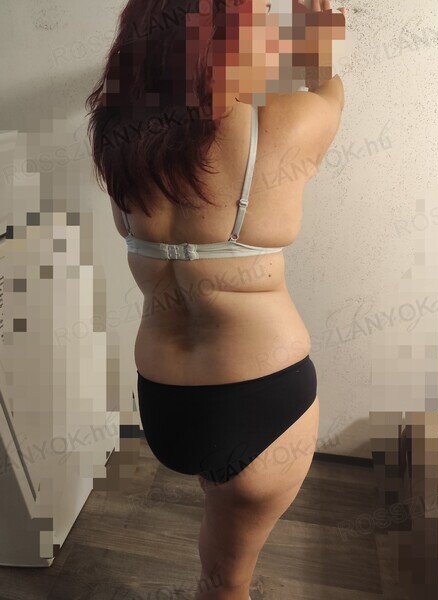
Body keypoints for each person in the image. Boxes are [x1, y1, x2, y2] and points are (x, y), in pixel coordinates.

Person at [86, 1, 346, 598]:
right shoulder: (286, 121)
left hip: (164, 403)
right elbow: (330, 92)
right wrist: (320, 39)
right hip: (263, 398)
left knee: (220, 532)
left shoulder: (120, 138)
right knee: (228, 583)